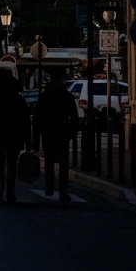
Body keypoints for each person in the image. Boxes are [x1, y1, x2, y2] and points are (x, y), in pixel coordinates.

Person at [0, 74, 31, 203]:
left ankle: (0, 185)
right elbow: (26, 122)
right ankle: (10, 191)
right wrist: (28, 140)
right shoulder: (20, 101)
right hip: (14, 136)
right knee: (12, 164)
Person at [35, 71, 79, 202]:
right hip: (62, 133)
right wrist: (73, 133)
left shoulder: (44, 96)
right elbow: (74, 117)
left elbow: (37, 118)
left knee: (49, 163)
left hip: (48, 133)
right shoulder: (67, 96)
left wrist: (36, 139)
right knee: (63, 164)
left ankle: (49, 187)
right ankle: (63, 190)